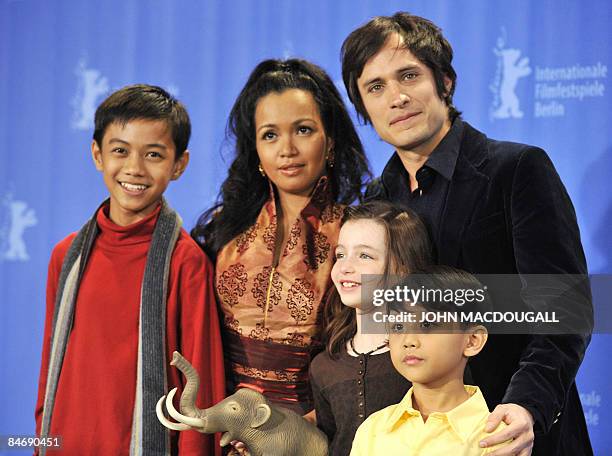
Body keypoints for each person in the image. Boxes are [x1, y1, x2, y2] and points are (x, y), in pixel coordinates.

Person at [341, 12, 593, 455]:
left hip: (511, 433)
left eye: (409, 76)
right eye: (375, 87)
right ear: (363, 108)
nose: (396, 97)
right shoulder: (379, 201)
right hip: (412, 438)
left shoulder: (516, 170)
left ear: (445, 82)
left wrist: (526, 405)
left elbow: (565, 309)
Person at [35, 84, 225, 455]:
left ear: (179, 165)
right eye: (120, 151)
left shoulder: (185, 262)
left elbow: (200, 391)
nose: (134, 168)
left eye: (153, 154)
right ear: (97, 154)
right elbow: (49, 376)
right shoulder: (67, 256)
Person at [191, 59, 370, 416]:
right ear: (255, 150)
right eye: (270, 135)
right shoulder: (222, 230)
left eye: (303, 130)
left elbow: (379, 355)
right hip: (224, 431)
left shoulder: (358, 235)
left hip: (316, 434)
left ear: (330, 141)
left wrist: (306, 430)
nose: (286, 149)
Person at [310, 200, 432, 455]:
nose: (345, 267)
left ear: (403, 269)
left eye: (364, 255)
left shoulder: (431, 355)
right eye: (341, 254)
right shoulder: (324, 366)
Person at [351, 266, 511, 455]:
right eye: (398, 326)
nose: (409, 341)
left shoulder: (497, 437)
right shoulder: (373, 429)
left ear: (472, 340)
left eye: (427, 324)